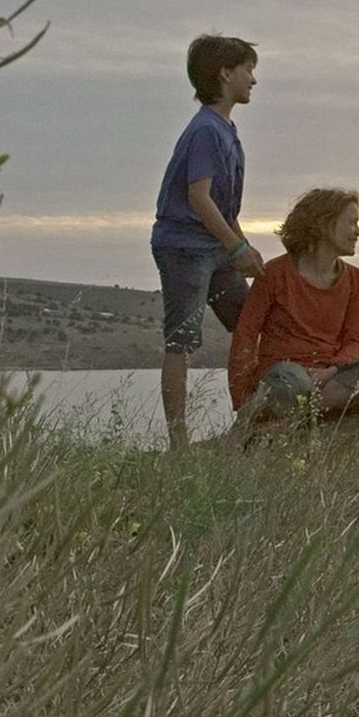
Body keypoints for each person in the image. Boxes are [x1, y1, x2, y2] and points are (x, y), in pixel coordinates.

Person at [151, 34, 266, 450]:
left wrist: (244, 247)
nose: (253, 79)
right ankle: (178, 445)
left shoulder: (226, 130)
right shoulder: (204, 131)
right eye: (248, 70)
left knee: (250, 323)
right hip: (183, 245)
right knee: (181, 341)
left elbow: (225, 207)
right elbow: (198, 196)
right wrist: (236, 249)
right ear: (224, 72)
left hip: (215, 245)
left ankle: (254, 420)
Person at [227, 187, 359, 431]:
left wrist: (330, 371)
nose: (358, 232)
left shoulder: (358, 280)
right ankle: (300, 409)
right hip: (284, 374)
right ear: (324, 224)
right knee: (291, 382)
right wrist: (241, 400)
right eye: (352, 223)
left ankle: (295, 414)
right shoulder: (273, 274)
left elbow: (356, 340)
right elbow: (246, 335)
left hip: (331, 375)